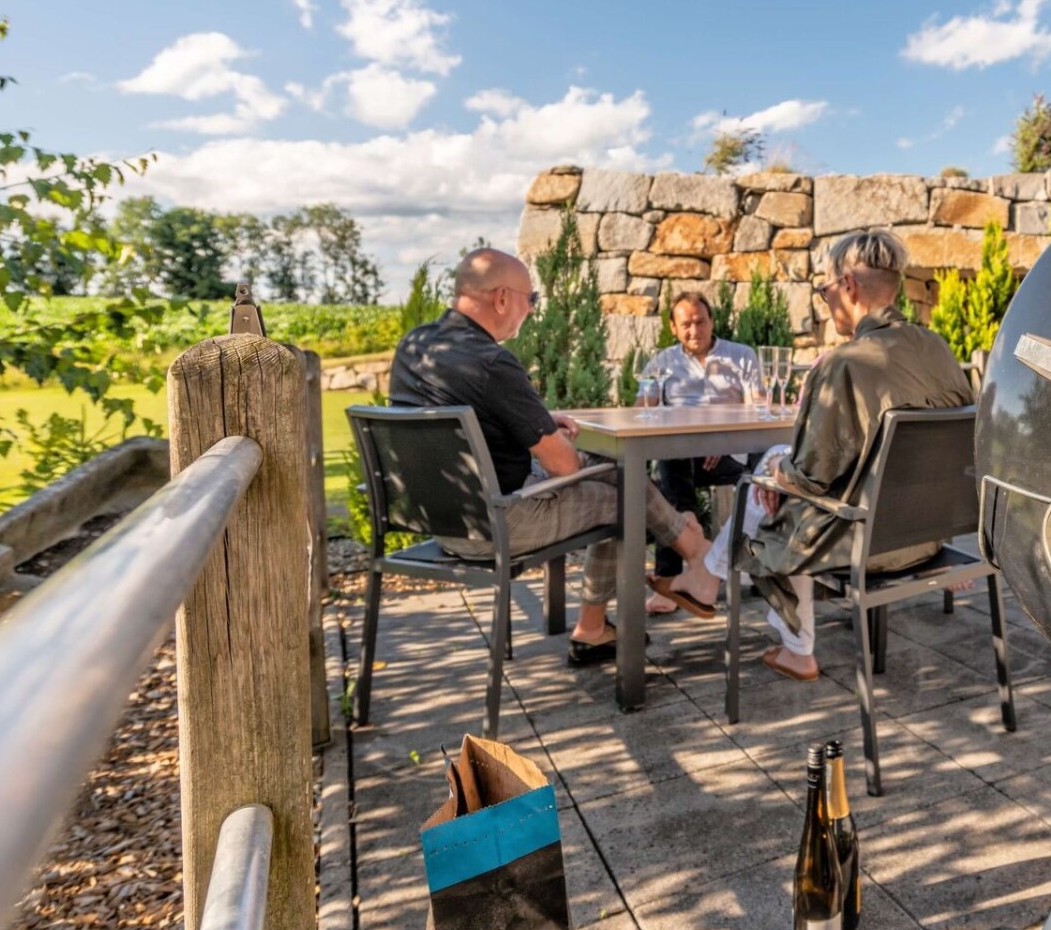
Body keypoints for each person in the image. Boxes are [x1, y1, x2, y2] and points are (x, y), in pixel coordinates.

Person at [656, 230, 973, 681]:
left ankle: (768, 626)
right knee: (778, 479)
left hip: (864, 545)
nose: (826, 302)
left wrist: (774, 471)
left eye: (825, 291)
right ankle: (723, 591)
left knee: (768, 491)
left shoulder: (844, 363)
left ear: (850, 286)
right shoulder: (939, 349)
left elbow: (809, 476)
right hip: (928, 536)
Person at [389, 247, 717, 667]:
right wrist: (553, 439)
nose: (532, 309)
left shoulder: (415, 345)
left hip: (437, 519)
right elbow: (564, 465)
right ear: (502, 298)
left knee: (614, 470)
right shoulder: (491, 362)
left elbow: (476, 416)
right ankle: (685, 564)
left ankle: (692, 554)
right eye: (531, 298)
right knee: (624, 496)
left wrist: (539, 424)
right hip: (498, 523)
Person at [635, 291, 763, 606]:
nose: (695, 330)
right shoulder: (662, 361)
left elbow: (758, 410)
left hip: (731, 454)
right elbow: (641, 410)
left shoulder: (741, 356)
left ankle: (684, 550)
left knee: (764, 463)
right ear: (673, 328)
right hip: (683, 458)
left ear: (711, 321)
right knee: (670, 454)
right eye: (686, 324)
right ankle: (684, 539)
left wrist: (722, 437)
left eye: (701, 322)